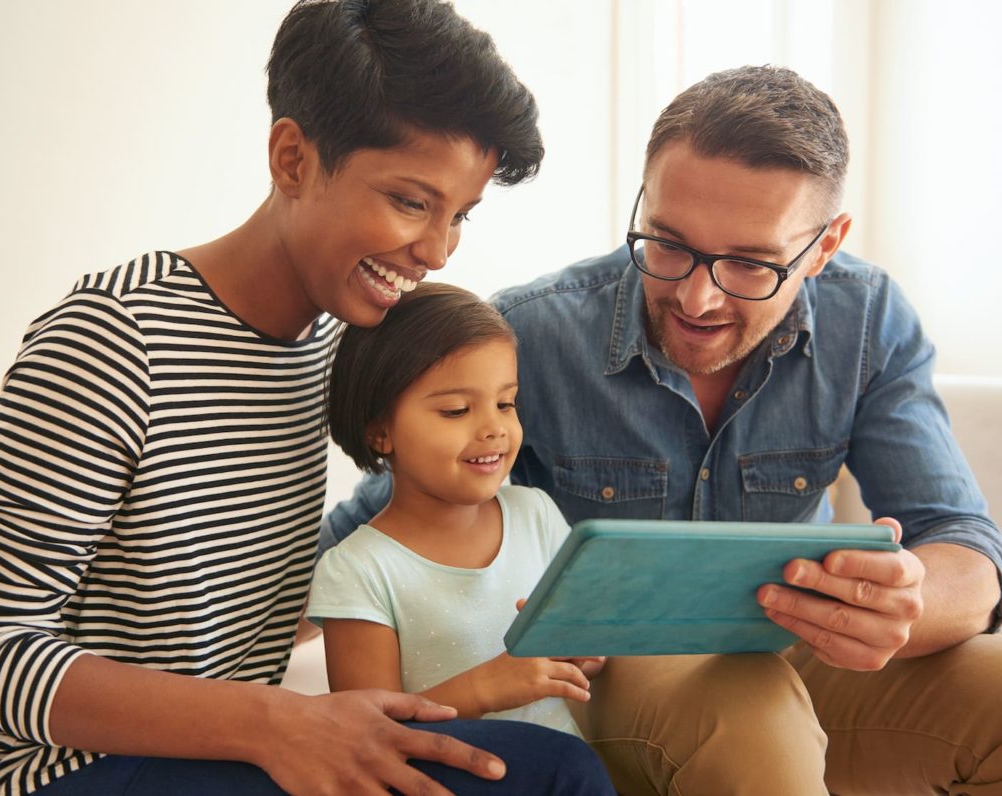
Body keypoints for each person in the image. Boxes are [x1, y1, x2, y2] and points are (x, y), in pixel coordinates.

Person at [0, 1, 617, 794]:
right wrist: (281, 722)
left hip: (234, 751)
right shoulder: (115, 338)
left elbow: (336, 554)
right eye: (413, 202)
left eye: (461, 214)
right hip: (69, 772)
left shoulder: (334, 342)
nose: (437, 249)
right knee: (556, 776)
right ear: (292, 159)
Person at [322, 65, 1002, 794]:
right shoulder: (531, 334)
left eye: (749, 263)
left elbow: (962, 544)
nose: (696, 296)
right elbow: (372, 533)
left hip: (804, 655)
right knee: (746, 713)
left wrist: (904, 608)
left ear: (825, 246)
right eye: (668, 242)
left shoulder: (867, 318)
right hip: (604, 677)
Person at [306, 282, 608, 745]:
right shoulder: (358, 571)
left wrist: (582, 653)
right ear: (380, 431)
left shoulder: (536, 514)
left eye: (506, 403)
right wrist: (482, 688)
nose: (494, 428)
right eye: (456, 410)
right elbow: (368, 736)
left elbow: (583, 647)